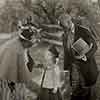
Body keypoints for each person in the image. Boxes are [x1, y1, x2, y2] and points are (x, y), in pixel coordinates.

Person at [59, 14, 99, 100]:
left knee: (89, 93)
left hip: (87, 67)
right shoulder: (64, 35)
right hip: (74, 68)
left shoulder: (83, 31)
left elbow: (94, 46)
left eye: (63, 26)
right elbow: (66, 53)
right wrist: (66, 69)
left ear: (69, 22)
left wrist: (85, 56)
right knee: (75, 91)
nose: (63, 29)